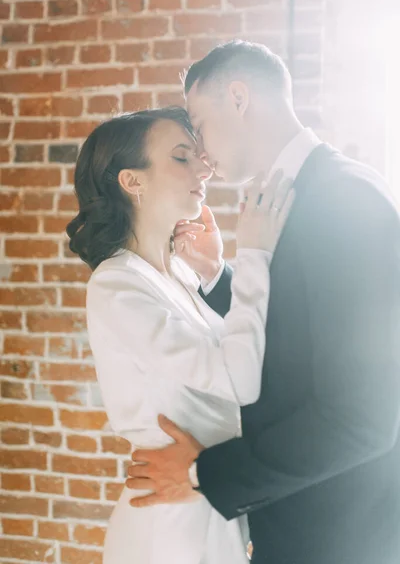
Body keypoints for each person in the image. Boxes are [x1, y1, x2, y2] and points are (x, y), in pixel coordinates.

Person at [126, 41, 400, 564]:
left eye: (199, 127)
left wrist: (204, 473)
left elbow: (361, 416)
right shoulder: (301, 194)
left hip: (338, 538)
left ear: (238, 97)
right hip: (298, 525)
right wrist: (218, 275)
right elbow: (301, 336)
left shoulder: (347, 199)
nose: (202, 154)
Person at [66, 105, 293, 564]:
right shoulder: (116, 285)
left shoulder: (182, 277)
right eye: (181, 156)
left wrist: (214, 270)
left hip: (210, 502)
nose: (203, 166)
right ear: (133, 181)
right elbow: (238, 382)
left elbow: (245, 360)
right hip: (168, 527)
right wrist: (256, 256)